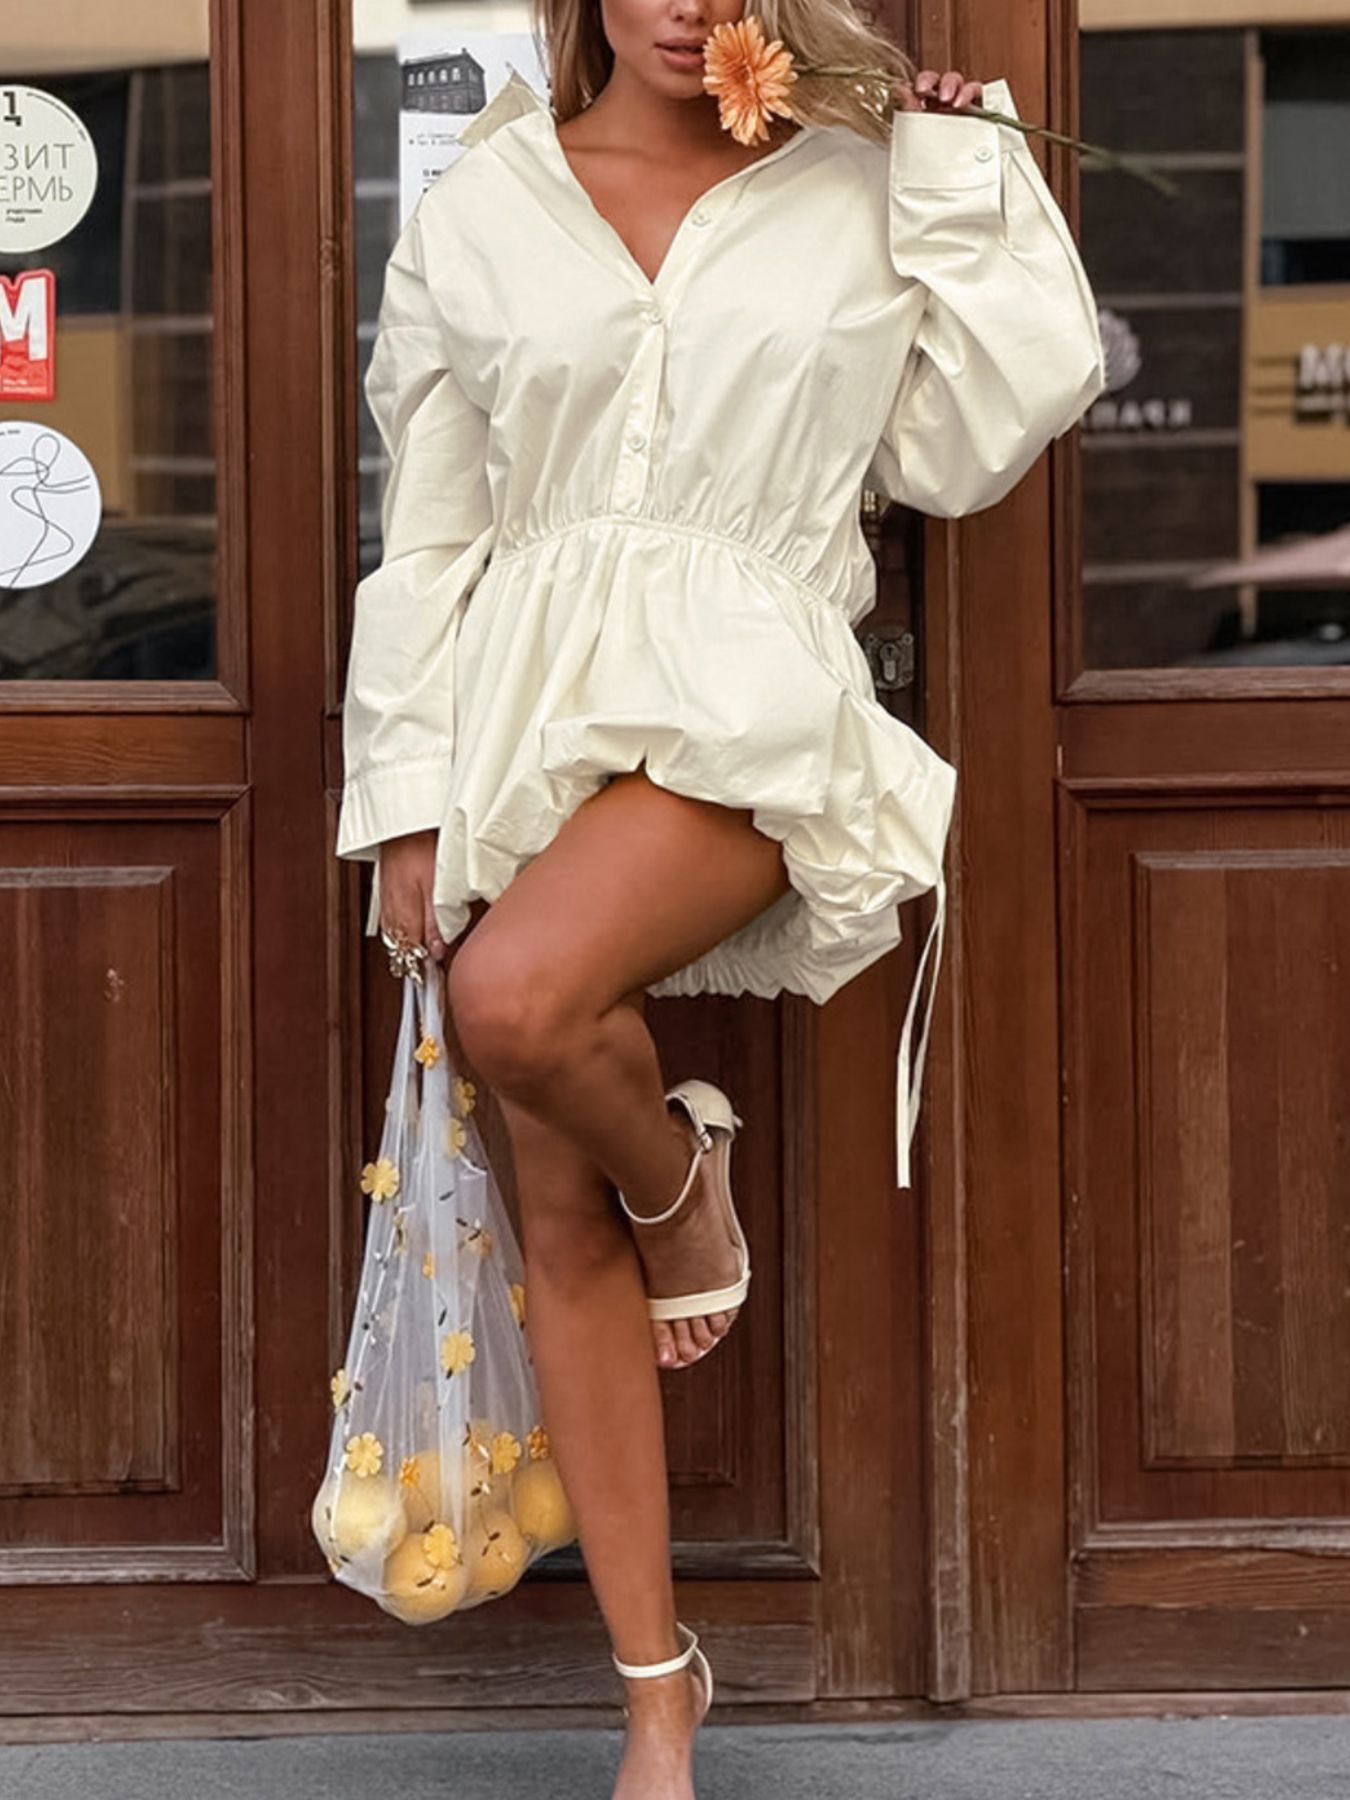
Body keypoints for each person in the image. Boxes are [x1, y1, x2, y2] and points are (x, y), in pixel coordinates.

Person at [336, 0, 1104, 1790]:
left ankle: (688, 1184)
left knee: (514, 1002)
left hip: (745, 696)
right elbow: (432, 521)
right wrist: (401, 804)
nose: (690, 6)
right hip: (513, 712)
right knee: (553, 1218)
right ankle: (654, 1696)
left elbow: (988, 422)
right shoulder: (483, 204)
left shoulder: (853, 184)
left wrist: (959, 160)